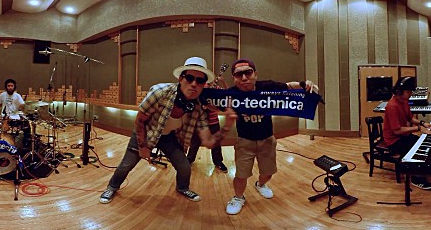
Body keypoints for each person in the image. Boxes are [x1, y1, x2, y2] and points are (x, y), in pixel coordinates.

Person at [99, 57, 237, 204]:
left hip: (169, 138)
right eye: (189, 78)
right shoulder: (160, 92)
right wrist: (143, 146)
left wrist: (227, 126)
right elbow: (139, 121)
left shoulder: (198, 106)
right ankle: (112, 187)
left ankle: (182, 188)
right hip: (147, 132)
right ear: (181, 78)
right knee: (126, 165)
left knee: (185, 167)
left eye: (200, 81)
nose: (194, 84)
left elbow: (208, 142)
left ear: (204, 85)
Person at [224, 58, 319, 215]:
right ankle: (238, 197)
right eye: (239, 74)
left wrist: (304, 84)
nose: (244, 78)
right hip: (244, 141)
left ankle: (260, 185)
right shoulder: (231, 94)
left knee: (268, 173)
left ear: (255, 74)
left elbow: (288, 86)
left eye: (248, 73)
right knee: (241, 175)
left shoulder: (266, 86)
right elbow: (211, 103)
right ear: (234, 78)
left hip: (267, 139)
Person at [381, 76, 431, 190]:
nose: (411, 94)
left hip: (403, 136)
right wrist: (418, 128)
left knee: (423, 145)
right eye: (408, 92)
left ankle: (422, 170)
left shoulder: (404, 101)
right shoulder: (392, 106)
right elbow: (397, 131)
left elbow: (410, 118)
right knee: (417, 150)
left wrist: (423, 123)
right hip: (393, 140)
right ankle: (416, 179)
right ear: (399, 91)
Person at [186, 64, 228, 172]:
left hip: (213, 121)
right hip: (198, 120)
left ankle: (218, 162)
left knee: (216, 143)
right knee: (195, 142)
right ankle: (189, 159)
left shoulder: (215, 89)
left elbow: (228, 94)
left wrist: (223, 82)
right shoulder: (199, 88)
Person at [0, 78, 30, 149]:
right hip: (4, 118)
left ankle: (22, 145)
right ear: (6, 86)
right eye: (8, 86)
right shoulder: (2, 95)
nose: (10, 87)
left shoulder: (17, 96)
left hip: (15, 117)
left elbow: (22, 105)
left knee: (25, 128)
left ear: (14, 86)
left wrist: (23, 107)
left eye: (12, 86)